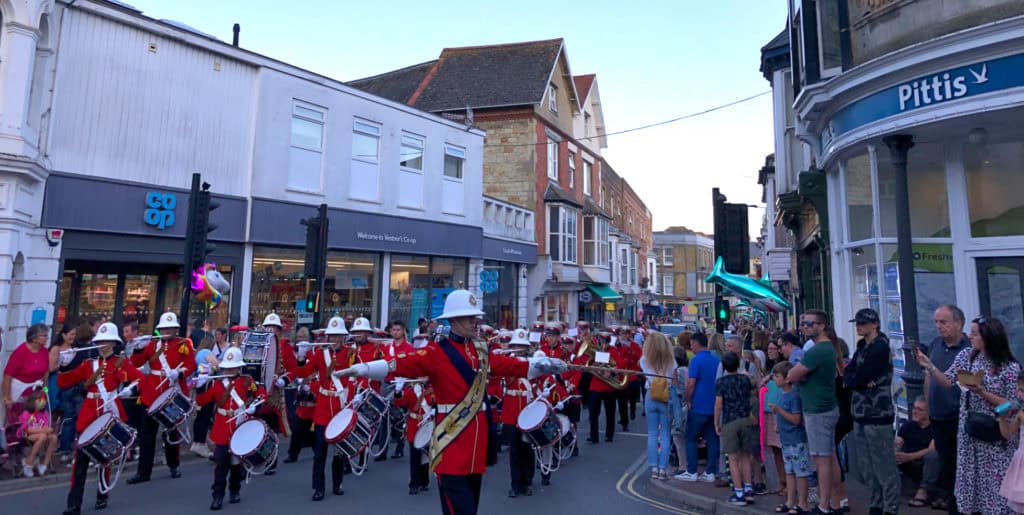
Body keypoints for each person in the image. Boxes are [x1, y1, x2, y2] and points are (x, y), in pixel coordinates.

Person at [333, 289, 567, 515]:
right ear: (454, 320)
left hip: (476, 446)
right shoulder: (437, 352)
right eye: (469, 317)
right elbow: (401, 364)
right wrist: (364, 369)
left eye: (475, 317)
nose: (475, 322)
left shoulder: (481, 350)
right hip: (451, 442)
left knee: (470, 507)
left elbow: (511, 366)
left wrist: (542, 365)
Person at [916, 316, 1021, 515]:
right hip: (969, 431)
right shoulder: (967, 356)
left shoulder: (1009, 367)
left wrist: (982, 393)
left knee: (993, 483)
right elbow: (947, 380)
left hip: (995, 434)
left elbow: (1013, 404)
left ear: (988, 337)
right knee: (970, 481)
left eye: (974, 334)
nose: (970, 337)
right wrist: (929, 366)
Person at [59, 322, 144, 515]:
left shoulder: (120, 363)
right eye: (100, 341)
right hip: (89, 412)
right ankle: (74, 504)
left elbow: (140, 378)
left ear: (114, 343)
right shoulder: (88, 364)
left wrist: (130, 388)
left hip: (108, 411)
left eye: (107, 341)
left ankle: (102, 494)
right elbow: (64, 382)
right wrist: (64, 365)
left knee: (105, 457)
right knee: (79, 461)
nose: (103, 344)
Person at [193, 346, 267, 510]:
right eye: (227, 367)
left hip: (240, 425)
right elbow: (201, 401)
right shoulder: (218, 383)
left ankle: (235, 490)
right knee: (220, 464)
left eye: (233, 367)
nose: (230, 369)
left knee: (236, 463)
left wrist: (255, 405)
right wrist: (200, 385)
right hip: (222, 427)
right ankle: (217, 495)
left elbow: (262, 394)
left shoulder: (247, 380)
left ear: (239, 367)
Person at [127, 312, 196, 484]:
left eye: (170, 328)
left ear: (175, 329)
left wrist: (178, 373)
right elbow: (136, 363)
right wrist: (138, 348)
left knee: (171, 432)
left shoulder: (183, 344)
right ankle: (143, 472)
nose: (166, 331)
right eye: (164, 328)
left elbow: (191, 365)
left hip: (171, 391)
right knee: (146, 435)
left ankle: (174, 465)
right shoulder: (151, 345)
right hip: (151, 393)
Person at [843, 308, 899, 515]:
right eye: (857, 323)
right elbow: (850, 375)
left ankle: (890, 507)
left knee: (883, 463)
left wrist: (859, 381)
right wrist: (858, 381)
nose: (858, 327)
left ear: (874, 324)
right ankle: (876, 502)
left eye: (863, 323)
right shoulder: (862, 346)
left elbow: (862, 375)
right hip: (860, 413)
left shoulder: (880, 347)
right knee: (867, 466)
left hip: (878, 413)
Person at [293, 316, 353, 500]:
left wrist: (350, 401)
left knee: (339, 452)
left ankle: (338, 484)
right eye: (331, 336)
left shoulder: (350, 353)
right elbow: (304, 373)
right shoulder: (320, 354)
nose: (334, 339)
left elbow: (354, 377)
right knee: (319, 452)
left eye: (337, 336)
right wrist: (302, 358)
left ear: (343, 337)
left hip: (340, 406)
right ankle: (318, 488)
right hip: (323, 410)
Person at [787, 310, 841, 515]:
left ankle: (823, 505)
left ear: (821, 326)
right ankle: (835, 503)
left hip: (818, 410)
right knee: (830, 457)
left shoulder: (817, 351)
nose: (804, 327)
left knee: (822, 459)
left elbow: (792, 374)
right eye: (803, 324)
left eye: (808, 324)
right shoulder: (827, 349)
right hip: (825, 408)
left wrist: (798, 375)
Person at [922, 304, 968, 513]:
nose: (939, 326)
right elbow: (928, 377)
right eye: (936, 322)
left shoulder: (968, 349)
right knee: (946, 465)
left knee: (961, 466)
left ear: (958, 323)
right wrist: (927, 406)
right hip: (938, 415)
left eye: (944, 322)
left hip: (960, 416)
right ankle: (952, 504)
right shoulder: (935, 344)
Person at [677, 331, 721, 482]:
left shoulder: (696, 361)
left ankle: (691, 471)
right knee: (712, 439)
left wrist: (688, 400)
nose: (691, 347)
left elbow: (691, 384)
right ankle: (711, 472)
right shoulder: (716, 360)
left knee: (691, 438)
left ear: (696, 343)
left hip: (698, 405)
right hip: (714, 405)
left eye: (691, 344)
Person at [770, 361, 811, 515]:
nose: (774, 378)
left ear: (787, 379)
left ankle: (802, 502)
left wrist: (779, 410)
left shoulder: (793, 396)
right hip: (786, 440)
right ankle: (790, 501)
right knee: (790, 472)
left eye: (777, 376)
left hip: (796, 441)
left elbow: (796, 419)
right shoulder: (782, 394)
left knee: (800, 472)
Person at [715, 351, 756, 506]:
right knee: (745, 457)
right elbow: (753, 389)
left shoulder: (721, 382)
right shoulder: (745, 380)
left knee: (733, 458)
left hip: (730, 421)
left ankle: (738, 493)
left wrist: (716, 423)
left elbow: (718, 405)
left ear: (724, 366)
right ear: (738, 365)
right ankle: (748, 490)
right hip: (746, 419)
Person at [501, 329, 535, 497]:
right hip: (512, 412)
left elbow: (538, 382)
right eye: (516, 345)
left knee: (527, 449)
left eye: (522, 346)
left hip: (528, 410)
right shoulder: (506, 362)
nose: (519, 348)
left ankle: (527, 482)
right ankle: (515, 484)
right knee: (514, 450)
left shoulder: (534, 363)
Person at [640, 332, 678, 480]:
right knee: (665, 434)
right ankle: (663, 469)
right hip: (666, 395)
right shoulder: (671, 361)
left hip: (651, 394)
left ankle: (654, 468)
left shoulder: (644, 360)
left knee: (652, 433)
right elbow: (674, 382)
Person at [394, 378, 435, 495]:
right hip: (414, 425)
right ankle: (414, 484)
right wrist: (397, 390)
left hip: (427, 424)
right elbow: (399, 403)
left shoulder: (431, 389)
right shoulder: (410, 391)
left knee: (426, 456)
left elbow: (436, 402)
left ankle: (424, 481)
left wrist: (434, 410)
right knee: (415, 456)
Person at [896, 397, 940, 509]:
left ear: (929, 412)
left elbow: (931, 449)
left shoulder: (935, 427)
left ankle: (923, 491)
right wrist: (895, 451)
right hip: (908, 462)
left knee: (933, 455)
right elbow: (898, 442)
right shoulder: (908, 425)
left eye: (919, 409)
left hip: (927, 464)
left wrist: (909, 457)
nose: (914, 411)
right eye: (914, 408)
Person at [3, 323, 51, 410]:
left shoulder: (44, 352)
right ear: (34, 338)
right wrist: (7, 398)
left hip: (36, 395)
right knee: (20, 421)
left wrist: (45, 391)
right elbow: (7, 376)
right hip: (19, 395)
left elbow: (46, 373)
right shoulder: (20, 352)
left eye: (47, 335)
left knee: (35, 421)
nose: (47, 338)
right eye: (44, 335)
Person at [997, 373, 1024, 512]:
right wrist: (1002, 418)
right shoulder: (1021, 413)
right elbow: (1007, 434)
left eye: (1023, 391)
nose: (1019, 394)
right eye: (1019, 390)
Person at [18, 389, 57, 477]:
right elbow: (28, 429)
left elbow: (48, 428)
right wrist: (43, 430)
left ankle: (44, 464)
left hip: (41, 435)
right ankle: (29, 463)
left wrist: (46, 430)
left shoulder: (45, 413)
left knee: (53, 437)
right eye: (40, 400)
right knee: (42, 436)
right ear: (33, 402)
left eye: (44, 401)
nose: (43, 403)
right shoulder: (26, 413)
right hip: (27, 436)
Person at [669, 346, 689, 474]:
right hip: (686, 406)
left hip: (680, 407)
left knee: (677, 435)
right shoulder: (687, 369)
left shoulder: (679, 371)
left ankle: (683, 466)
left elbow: (678, 391)